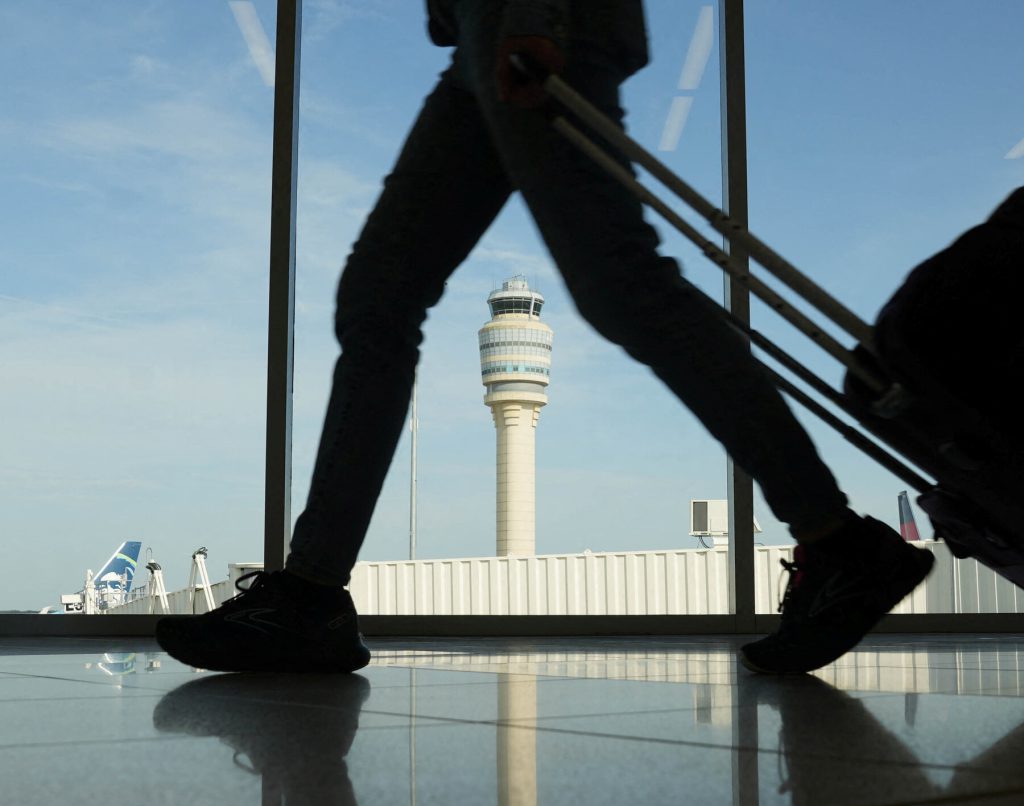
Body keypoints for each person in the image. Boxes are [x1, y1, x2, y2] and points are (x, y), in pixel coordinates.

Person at [156, 0, 933, 676]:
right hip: (475, 39)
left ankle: (836, 538)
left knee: (621, 287)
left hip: (528, 16)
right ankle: (313, 595)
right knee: (379, 298)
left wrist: (533, 17)